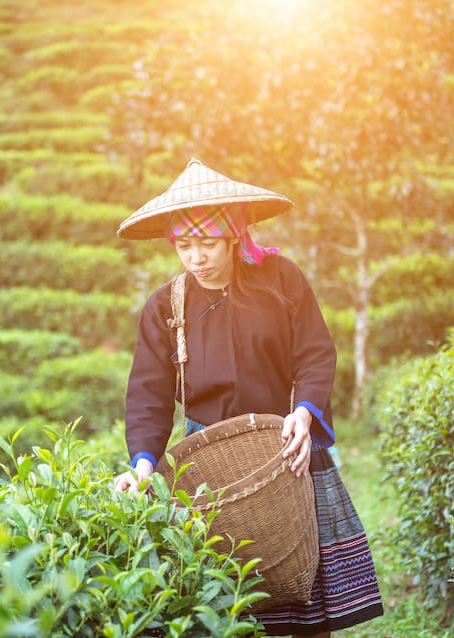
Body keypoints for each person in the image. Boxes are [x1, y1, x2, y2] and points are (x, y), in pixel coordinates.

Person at [113, 158, 384, 636]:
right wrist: (142, 465)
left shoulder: (280, 278)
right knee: (226, 596)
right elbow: (149, 395)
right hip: (208, 458)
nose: (196, 258)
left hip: (285, 442)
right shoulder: (165, 307)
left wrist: (304, 413)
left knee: (300, 586)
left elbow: (316, 354)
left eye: (208, 243)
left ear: (234, 236)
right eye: (184, 245)